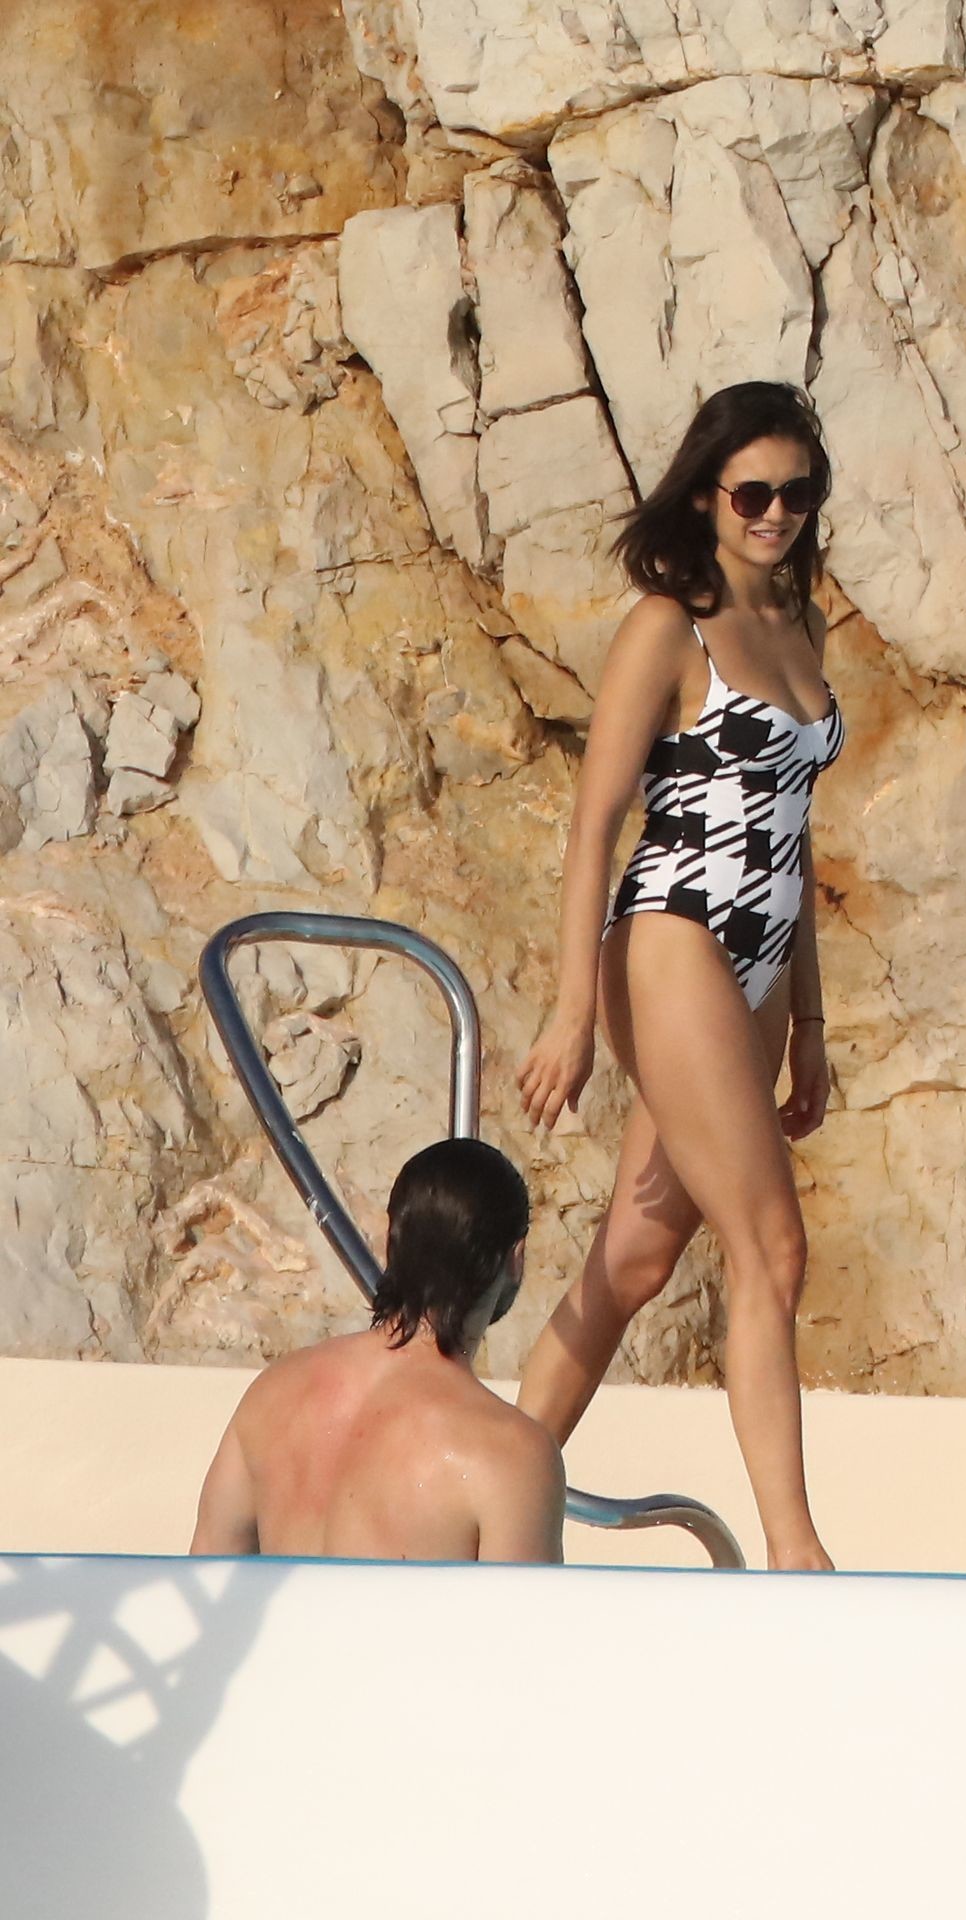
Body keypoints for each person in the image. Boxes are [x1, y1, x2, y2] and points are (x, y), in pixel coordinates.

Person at [516, 380, 844, 1571]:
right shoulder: (670, 625)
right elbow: (594, 824)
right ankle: (796, 1555)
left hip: (759, 968)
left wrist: (808, 1021)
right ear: (705, 494)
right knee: (772, 1250)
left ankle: (485, 1492)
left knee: (636, 1258)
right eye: (751, 493)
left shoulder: (799, 624)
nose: (774, 514)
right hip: (672, 937)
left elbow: (792, 839)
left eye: (795, 493)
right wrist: (572, 1015)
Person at [190, 1138, 565, 1563]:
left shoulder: (271, 1393)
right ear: (515, 1258)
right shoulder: (509, 1454)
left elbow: (208, 1572)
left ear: (391, 1239)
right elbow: (524, 1609)